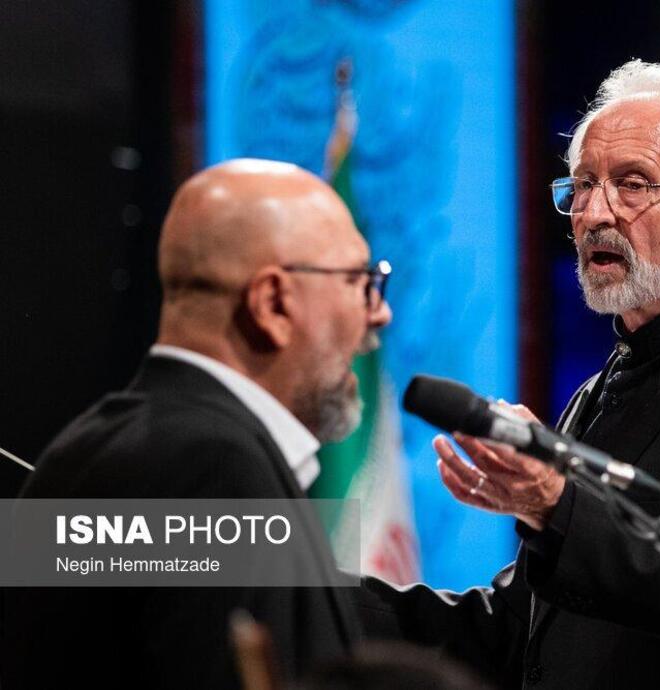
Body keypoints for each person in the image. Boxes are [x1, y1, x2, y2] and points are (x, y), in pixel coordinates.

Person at [358, 60, 660, 689]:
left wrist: (552, 502)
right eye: (583, 186)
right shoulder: (600, 391)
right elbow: (516, 633)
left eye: (632, 185)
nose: (594, 212)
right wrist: (299, 590)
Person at [1, 159, 392, 689]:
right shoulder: (214, 469)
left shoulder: (87, 448)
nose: (378, 313)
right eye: (358, 281)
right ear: (272, 303)